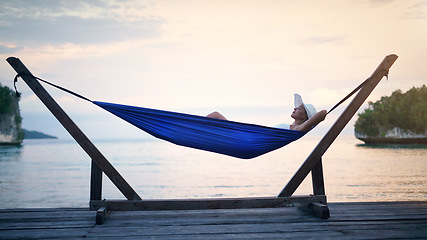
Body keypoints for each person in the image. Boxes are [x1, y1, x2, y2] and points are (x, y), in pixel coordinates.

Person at [206, 94, 327, 132]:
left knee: (215, 115)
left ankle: (191, 129)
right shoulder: (292, 127)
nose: (295, 109)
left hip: (251, 138)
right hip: (254, 134)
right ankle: (192, 129)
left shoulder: (299, 128)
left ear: (305, 116)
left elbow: (323, 113)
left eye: (299, 108)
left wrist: (311, 122)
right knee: (214, 115)